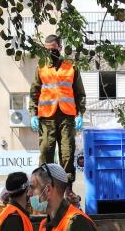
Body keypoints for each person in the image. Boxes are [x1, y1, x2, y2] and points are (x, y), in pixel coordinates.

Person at [29, 35, 86, 190]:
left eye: (53, 49)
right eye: (47, 50)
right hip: (47, 117)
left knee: (67, 153)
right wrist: (33, 114)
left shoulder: (71, 67)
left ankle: (66, 189)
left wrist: (80, 114)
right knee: (46, 150)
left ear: (60, 48)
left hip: (67, 116)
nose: (50, 52)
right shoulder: (41, 68)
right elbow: (34, 92)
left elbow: (79, 92)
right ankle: (44, 186)